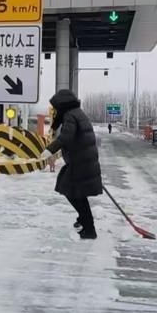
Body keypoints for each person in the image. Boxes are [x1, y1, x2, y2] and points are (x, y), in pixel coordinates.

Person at [40, 89, 102, 239]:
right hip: (83, 161)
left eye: (56, 107)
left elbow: (66, 137)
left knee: (72, 192)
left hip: (81, 162)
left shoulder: (70, 116)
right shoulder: (77, 113)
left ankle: (89, 228)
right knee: (75, 192)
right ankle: (84, 221)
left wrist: (50, 150)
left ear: (62, 105)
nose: (55, 111)